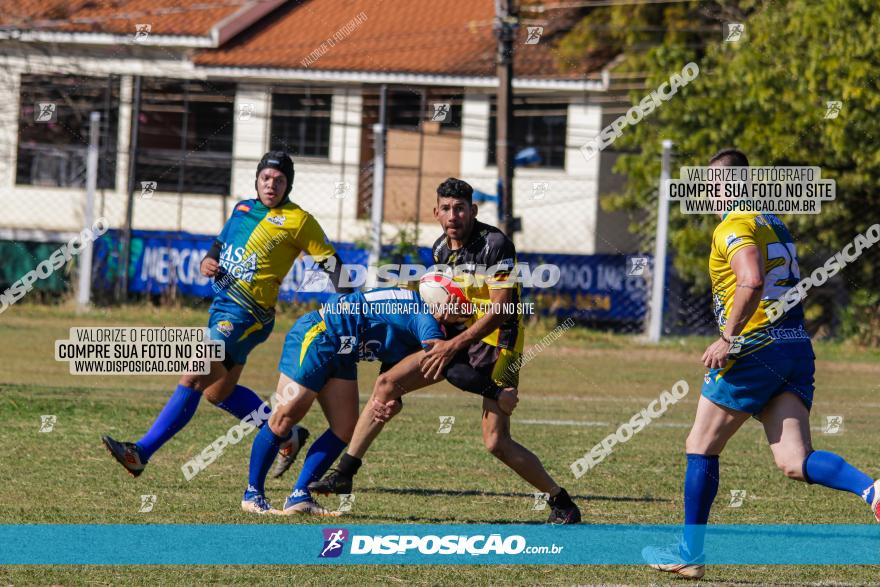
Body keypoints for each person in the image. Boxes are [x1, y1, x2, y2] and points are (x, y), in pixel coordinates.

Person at [644, 149, 880, 579]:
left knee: (700, 446)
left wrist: (727, 337)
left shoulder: (734, 225)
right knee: (794, 460)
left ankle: (689, 554)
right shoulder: (772, 221)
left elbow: (752, 280)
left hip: (753, 348)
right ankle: (872, 490)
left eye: (711, 186)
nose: (707, 194)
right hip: (793, 346)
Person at [310, 177, 581, 524]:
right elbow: (454, 302)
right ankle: (345, 473)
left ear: (473, 210)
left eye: (461, 208)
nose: (454, 215)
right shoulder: (441, 249)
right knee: (387, 385)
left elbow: (500, 311)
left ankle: (561, 502)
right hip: (461, 336)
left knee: (496, 442)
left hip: (502, 344)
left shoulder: (495, 245)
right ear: (436, 212)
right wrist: (447, 316)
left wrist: (454, 340)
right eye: (447, 209)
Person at [102, 151, 346, 477]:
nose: (271, 184)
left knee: (193, 372)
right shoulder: (242, 208)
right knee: (219, 393)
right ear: (257, 179)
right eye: (265, 178)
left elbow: (332, 263)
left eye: (279, 180)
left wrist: (347, 308)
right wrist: (208, 261)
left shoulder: (297, 220)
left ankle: (141, 452)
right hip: (222, 308)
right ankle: (287, 435)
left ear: (288, 185)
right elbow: (218, 246)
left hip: (249, 315)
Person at [241, 287, 468, 514]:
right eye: (457, 303)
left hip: (345, 352)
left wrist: (392, 404)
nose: (462, 311)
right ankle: (253, 495)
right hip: (320, 333)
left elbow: (394, 375)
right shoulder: (422, 314)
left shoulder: (424, 321)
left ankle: (300, 496)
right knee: (285, 416)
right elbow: (439, 353)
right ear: (439, 300)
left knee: (345, 427)